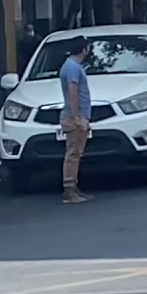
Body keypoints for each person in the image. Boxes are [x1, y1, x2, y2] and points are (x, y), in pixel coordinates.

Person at [59, 37, 94, 204]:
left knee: (75, 153)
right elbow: (73, 94)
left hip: (77, 116)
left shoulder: (71, 66)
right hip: (75, 117)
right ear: (84, 49)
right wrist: (77, 117)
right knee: (73, 154)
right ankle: (69, 188)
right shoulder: (73, 68)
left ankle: (73, 187)